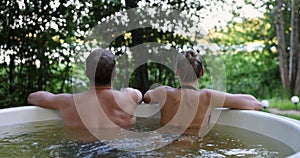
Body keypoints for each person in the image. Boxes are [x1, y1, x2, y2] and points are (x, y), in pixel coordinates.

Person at [143, 50, 262, 135]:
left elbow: (147, 98)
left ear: (177, 72)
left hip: (165, 146)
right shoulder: (207, 97)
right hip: (193, 147)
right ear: (202, 72)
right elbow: (255, 103)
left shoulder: (163, 92)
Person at [28, 48, 142, 129]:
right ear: (115, 74)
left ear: (87, 73)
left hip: (81, 150)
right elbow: (141, 96)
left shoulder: (69, 102)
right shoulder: (129, 97)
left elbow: (33, 97)